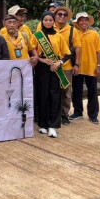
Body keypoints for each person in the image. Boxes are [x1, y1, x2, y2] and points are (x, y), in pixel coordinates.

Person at [34, 11, 70, 139]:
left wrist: (58, 63)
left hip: (55, 69)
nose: (48, 22)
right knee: (42, 95)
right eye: (46, 20)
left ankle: (52, 125)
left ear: (53, 21)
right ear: (42, 21)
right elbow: (32, 52)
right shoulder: (37, 35)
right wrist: (42, 60)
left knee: (54, 96)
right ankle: (42, 123)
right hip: (41, 69)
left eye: (50, 20)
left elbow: (67, 54)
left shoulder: (59, 36)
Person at [70, 12, 100, 124]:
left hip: (91, 67)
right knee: (77, 91)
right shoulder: (74, 33)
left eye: (85, 20)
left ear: (88, 22)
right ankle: (78, 112)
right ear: (77, 22)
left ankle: (93, 114)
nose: (83, 22)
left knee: (93, 92)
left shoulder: (95, 34)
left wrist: (98, 66)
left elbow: (99, 51)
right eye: (81, 20)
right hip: (78, 67)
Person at [53, 6, 80, 125]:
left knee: (66, 91)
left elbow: (77, 48)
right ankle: (53, 113)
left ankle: (64, 114)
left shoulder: (72, 30)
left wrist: (77, 64)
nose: (62, 17)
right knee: (52, 91)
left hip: (66, 66)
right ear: (55, 15)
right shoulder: (47, 25)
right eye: (60, 14)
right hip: (50, 66)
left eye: (64, 15)